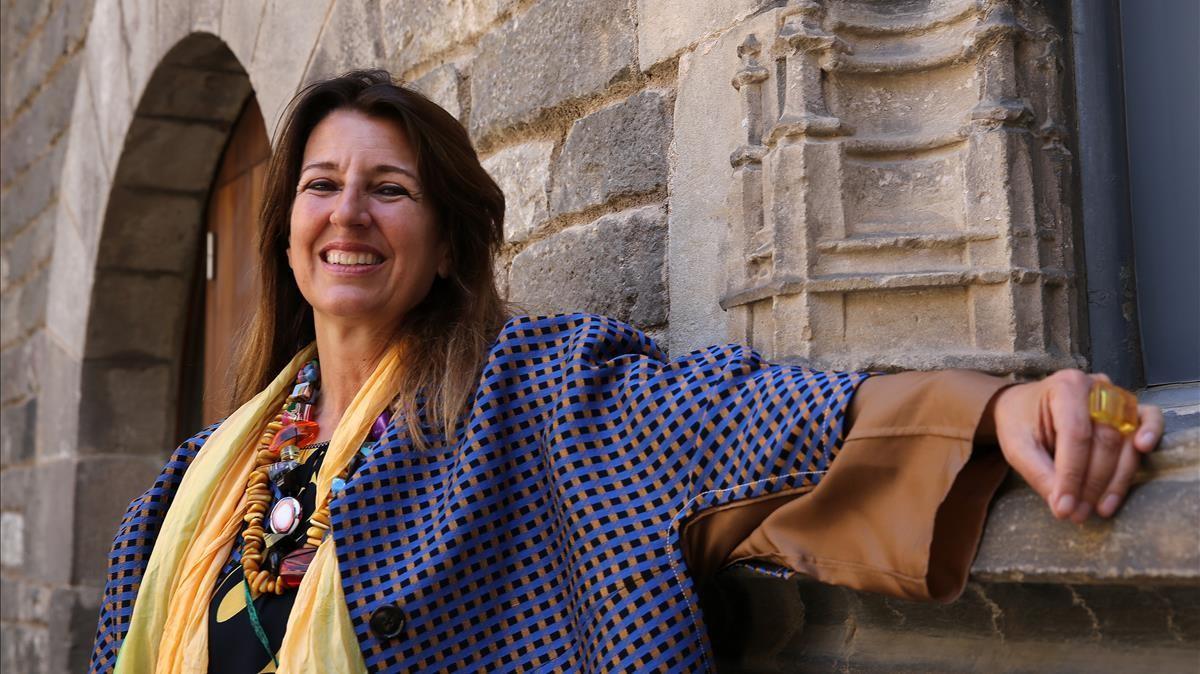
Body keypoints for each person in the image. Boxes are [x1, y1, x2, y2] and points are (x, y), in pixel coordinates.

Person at [88, 70, 1164, 674]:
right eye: (322, 184)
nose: (349, 215)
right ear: (285, 231)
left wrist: (996, 407)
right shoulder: (191, 489)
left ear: (452, 240)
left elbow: (742, 424)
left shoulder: (534, 393)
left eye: (391, 189)